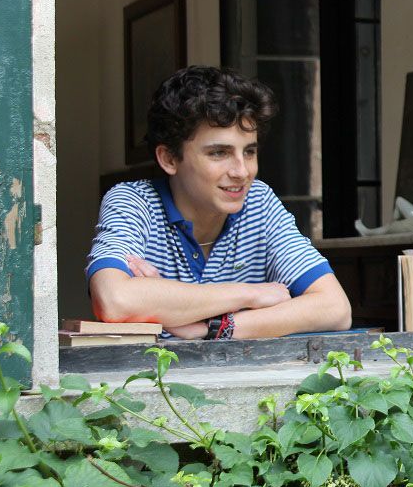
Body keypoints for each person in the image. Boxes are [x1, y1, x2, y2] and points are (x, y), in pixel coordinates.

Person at [87, 66, 351, 340]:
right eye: (219, 153)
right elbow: (114, 300)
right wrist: (251, 293)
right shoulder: (133, 202)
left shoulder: (258, 201)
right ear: (169, 159)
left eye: (249, 152)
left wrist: (211, 326)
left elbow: (335, 308)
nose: (242, 171)